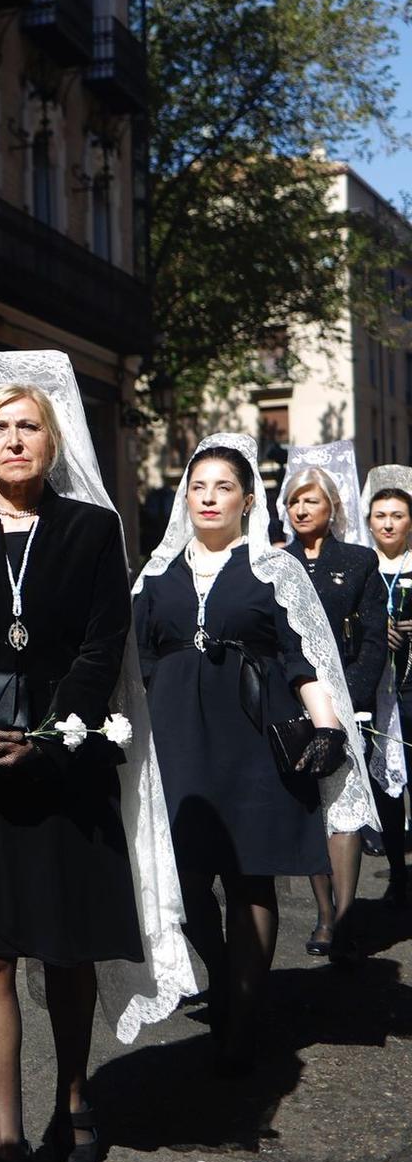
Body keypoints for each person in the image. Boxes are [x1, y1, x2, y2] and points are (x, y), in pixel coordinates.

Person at [0, 353, 192, 1162]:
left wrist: (50, 730)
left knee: (67, 951)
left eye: (28, 424)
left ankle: (73, 1096)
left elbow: (106, 643)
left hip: (65, 758)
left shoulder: (91, 529)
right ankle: (5, 1143)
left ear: (53, 435)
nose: (14, 439)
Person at [133, 432, 374, 1077]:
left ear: (247, 500)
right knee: (182, 880)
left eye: (224, 488)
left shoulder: (275, 570)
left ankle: (241, 1013)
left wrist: (327, 730)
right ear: (186, 497)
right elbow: (134, 661)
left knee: (248, 877)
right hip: (174, 739)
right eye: (198, 487)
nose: (208, 498)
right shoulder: (156, 576)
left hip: (251, 740)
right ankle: (219, 970)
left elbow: (303, 659)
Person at [278, 446, 386, 959]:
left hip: (347, 700)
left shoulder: (359, 561)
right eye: (294, 501)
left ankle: (343, 919)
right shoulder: (275, 564)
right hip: (292, 698)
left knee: (343, 808)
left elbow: (371, 638)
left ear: (332, 508)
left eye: (311, 500)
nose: (301, 509)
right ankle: (322, 915)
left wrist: (355, 697)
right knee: (308, 808)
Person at [362, 468, 412, 905]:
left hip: (411, 687)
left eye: (397, 515)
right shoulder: (360, 567)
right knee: (386, 786)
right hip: (377, 690)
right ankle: (398, 871)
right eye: (380, 515)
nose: (389, 523)